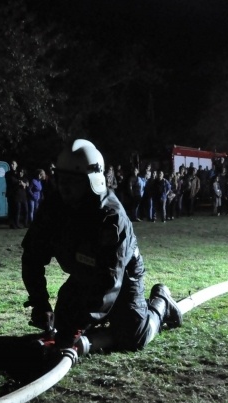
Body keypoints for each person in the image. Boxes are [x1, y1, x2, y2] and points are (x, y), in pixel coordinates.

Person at [21, 139, 182, 355]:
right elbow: (32, 257)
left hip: (122, 278)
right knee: (62, 322)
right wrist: (40, 303)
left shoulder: (111, 217)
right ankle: (107, 318)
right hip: (84, 277)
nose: (65, 188)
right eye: (62, 179)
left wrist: (79, 326)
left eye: (73, 182)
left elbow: (109, 282)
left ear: (91, 181)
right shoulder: (53, 208)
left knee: (133, 336)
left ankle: (161, 302)